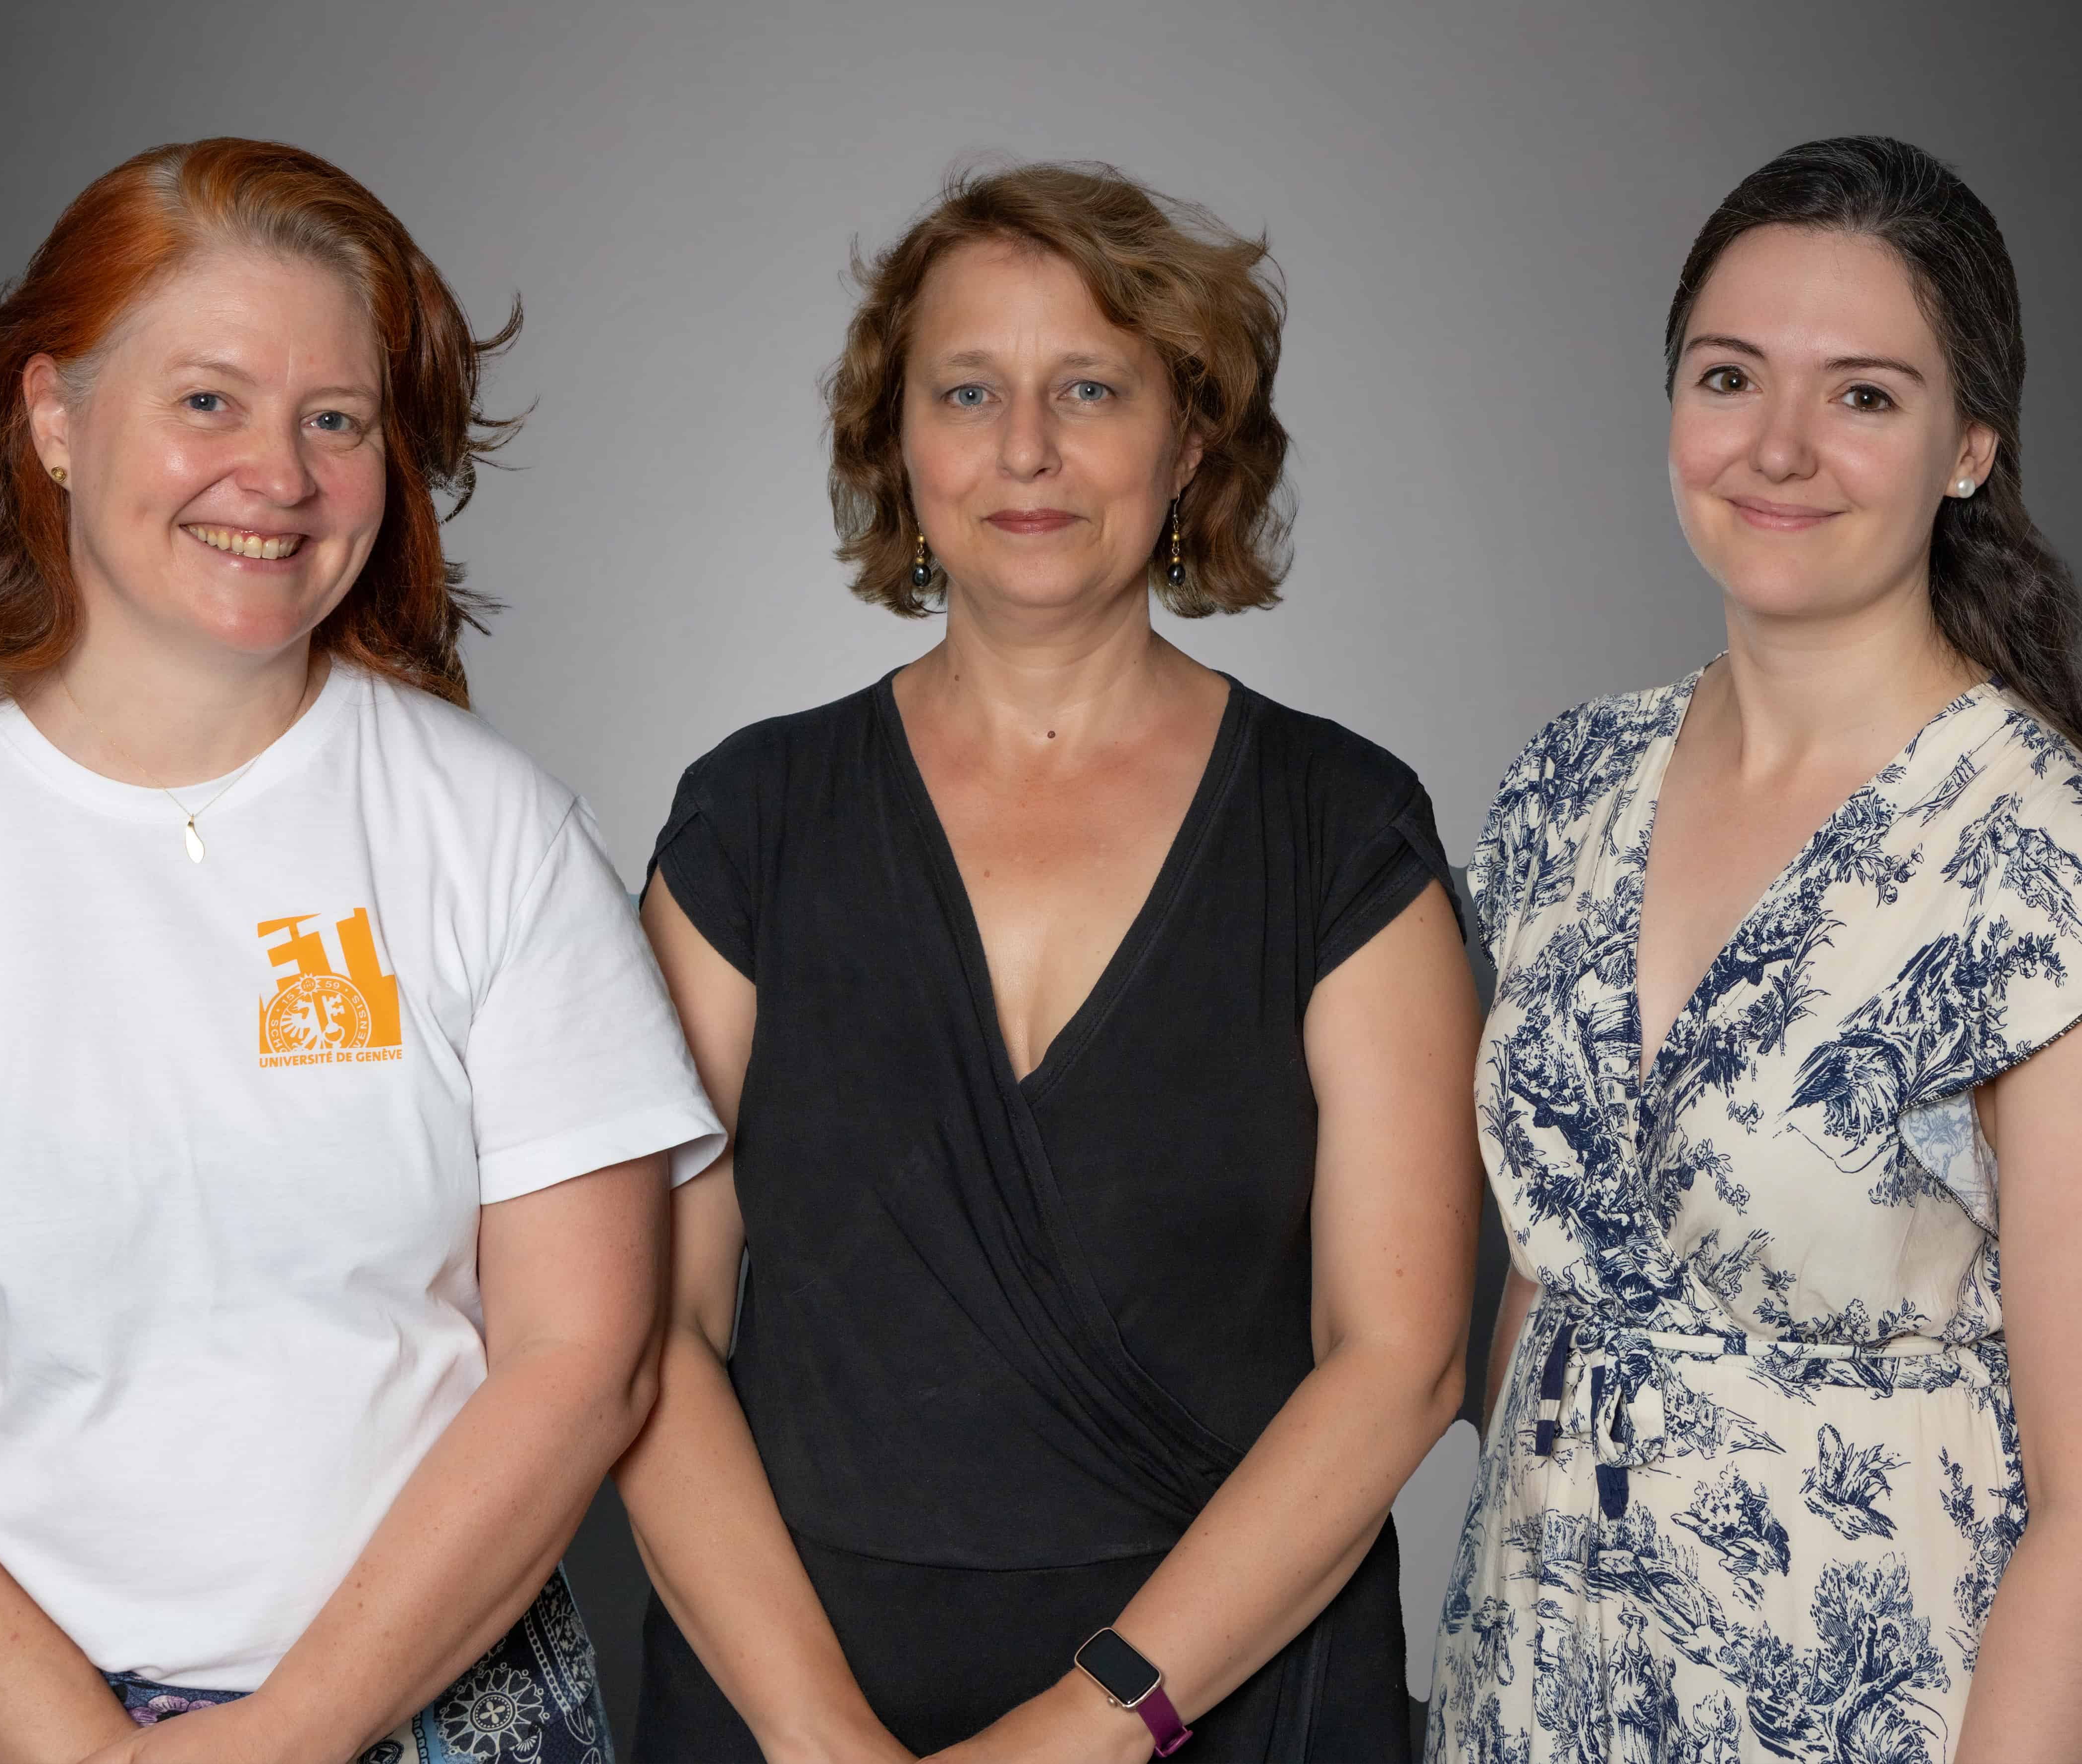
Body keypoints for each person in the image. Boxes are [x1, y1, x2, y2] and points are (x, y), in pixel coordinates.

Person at [614, 162, 1484, 1763]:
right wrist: (815, 1734)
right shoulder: (748, 818)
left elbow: (1401, 1360)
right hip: (781, 1699)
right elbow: (640, 1331)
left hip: (1219, 1696)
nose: (1025, 448)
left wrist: (1088, 1729)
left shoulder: (1341, 825)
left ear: (1191, 441)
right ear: (896, 443)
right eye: (968, 391)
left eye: (1089, 387)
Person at [0, 139, 723, 1764]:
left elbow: (582, 1361)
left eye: (335, 420)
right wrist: (88, 1750)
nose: (277, 475)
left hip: (429, 1714)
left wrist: (294, 1731)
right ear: (54, 416)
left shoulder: (494, 831)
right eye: (209, 401)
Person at [1426, 135, 2082, 1763]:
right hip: (1529, 1672)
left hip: (1861, 1704)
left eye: (1861, 394)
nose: (1778, 446)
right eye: (1729, 376)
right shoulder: (1571, 780)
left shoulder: (2031, 847)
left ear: (1967, 447)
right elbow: (1549, 1265)